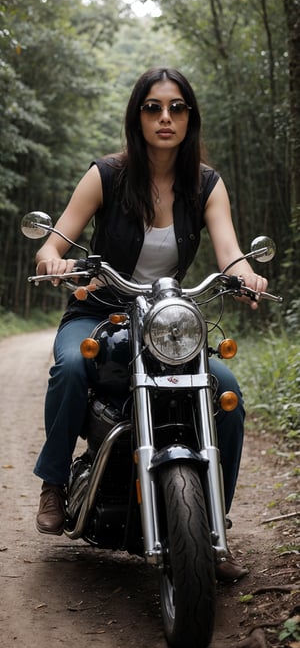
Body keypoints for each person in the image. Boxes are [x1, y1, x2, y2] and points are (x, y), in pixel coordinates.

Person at [33, 67, 268, 582]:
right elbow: (55, 240)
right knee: (71, 366)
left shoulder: (205, 183)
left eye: (177, 108)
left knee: (224, 389)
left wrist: (246, 273)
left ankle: (212, 528)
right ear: (137, 114)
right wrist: (54, 259)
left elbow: (229, 253)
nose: (165, 118)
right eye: (153, 107)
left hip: (168, 323)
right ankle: (53, 482)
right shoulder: (107, 175)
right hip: (100, 311)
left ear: (190, 118)